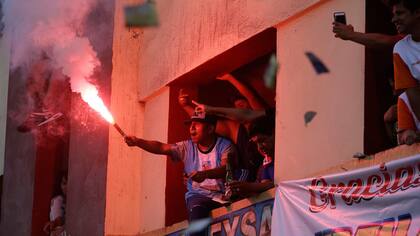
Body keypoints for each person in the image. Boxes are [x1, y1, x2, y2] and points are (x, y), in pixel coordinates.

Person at [124, 112, 236, 235]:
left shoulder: (225, 145)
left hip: (223, 196)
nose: (191, 128)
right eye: (190, 124)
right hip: (198, 197)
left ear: (210, 128)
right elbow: (161, 147)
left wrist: (205, 174)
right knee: (197, 216)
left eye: (197, 124)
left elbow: (226, 169)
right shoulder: (187, 147)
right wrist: (138, 142)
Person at [179, 74, 267, 182]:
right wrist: (186, 106)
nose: (238, 109)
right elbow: (204, 124)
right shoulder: (236, 129)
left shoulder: (262, 120)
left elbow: (251, 97)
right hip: (250, 183)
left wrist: (230, 78)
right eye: (236, 107)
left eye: (241, 105)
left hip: (270, 177)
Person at [389, 0, 420, 145]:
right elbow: (412, 92)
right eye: (393, 14)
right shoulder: (400, 49)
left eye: (399, 13)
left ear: (417, 13)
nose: (394, 19)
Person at [227, 114, 275, 198]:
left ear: (275, 133)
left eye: (262, 140)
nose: (260, 147)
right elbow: (265, 185)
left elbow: (278, 184)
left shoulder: (290, 157)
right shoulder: (265, 164)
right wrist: (245, 190)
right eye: (256, 143)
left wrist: (250, 186)